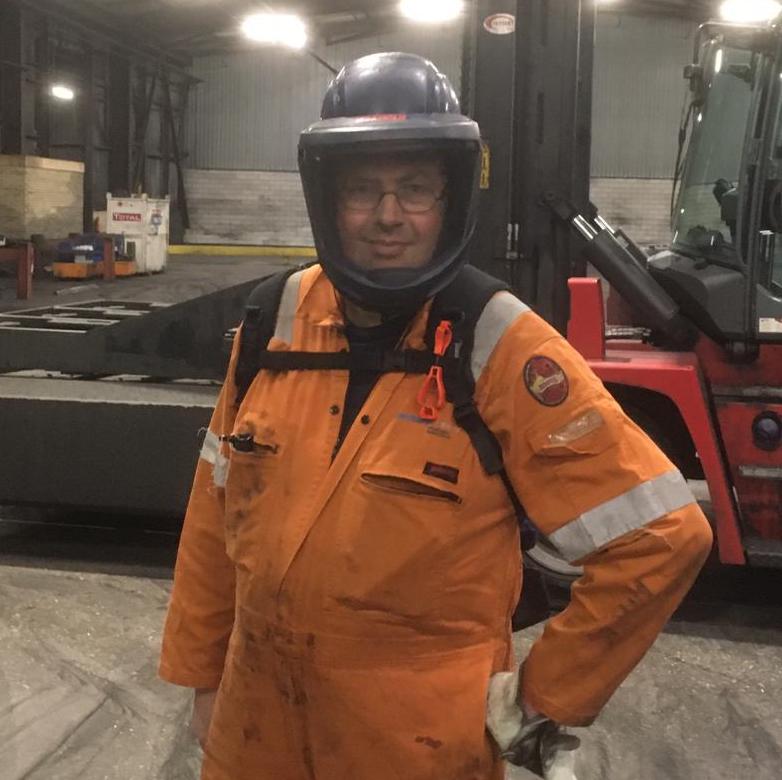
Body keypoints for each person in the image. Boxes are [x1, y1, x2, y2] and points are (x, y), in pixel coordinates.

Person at [159, 52, 713, 780]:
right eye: (362, 190)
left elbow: (661, 537)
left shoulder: (500, 344)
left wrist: (541, 698)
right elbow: (214, 510)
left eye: (415, 189)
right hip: (254, 726)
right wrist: (203, 674)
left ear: (450, 200)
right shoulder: (273, 323)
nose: (388, 216)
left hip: (416, 743)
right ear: (327, 198)